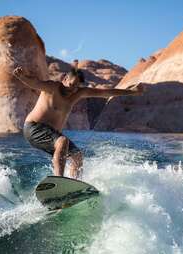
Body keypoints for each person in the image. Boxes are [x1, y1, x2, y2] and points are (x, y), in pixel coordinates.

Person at [13, 61, 144, 178]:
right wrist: (22, 77)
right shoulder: (52, 87)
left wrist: (131, 91)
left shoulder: (78, 93)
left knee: (77, 156)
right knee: (62, 141)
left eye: (76, 86)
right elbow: (34, 83)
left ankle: (74, 185)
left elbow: (105, 93)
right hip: (33, 127)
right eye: (71, 84)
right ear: (64, 79)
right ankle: (59, 181)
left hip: (50, 134)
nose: (73, 89)